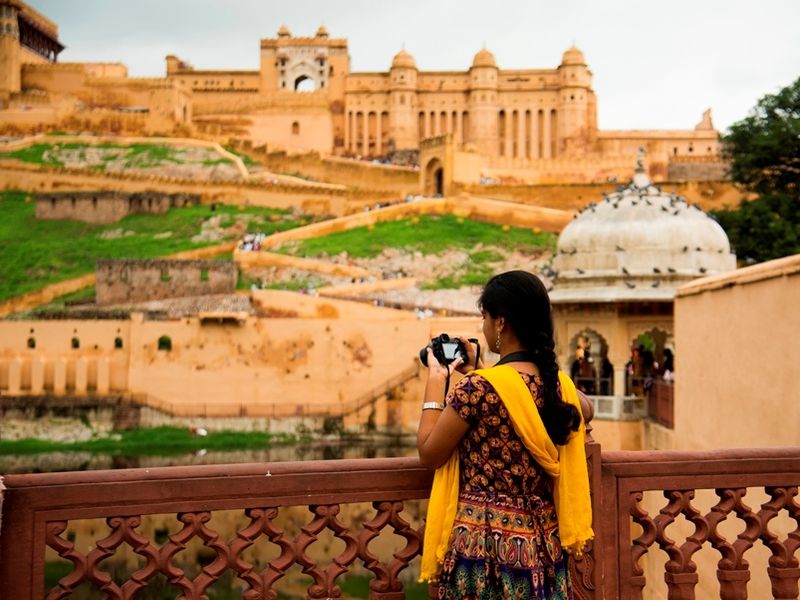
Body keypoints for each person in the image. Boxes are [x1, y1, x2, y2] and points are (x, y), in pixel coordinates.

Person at [417, 270, 593, 599]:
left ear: (501, 323)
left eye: (485, 316)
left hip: (482, 545)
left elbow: (429, 452)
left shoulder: (478, 389)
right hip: (542, 542)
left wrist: (436, 380)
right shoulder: (559, 387)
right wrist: (486, 370)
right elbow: (586, 409)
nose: (483, 326)